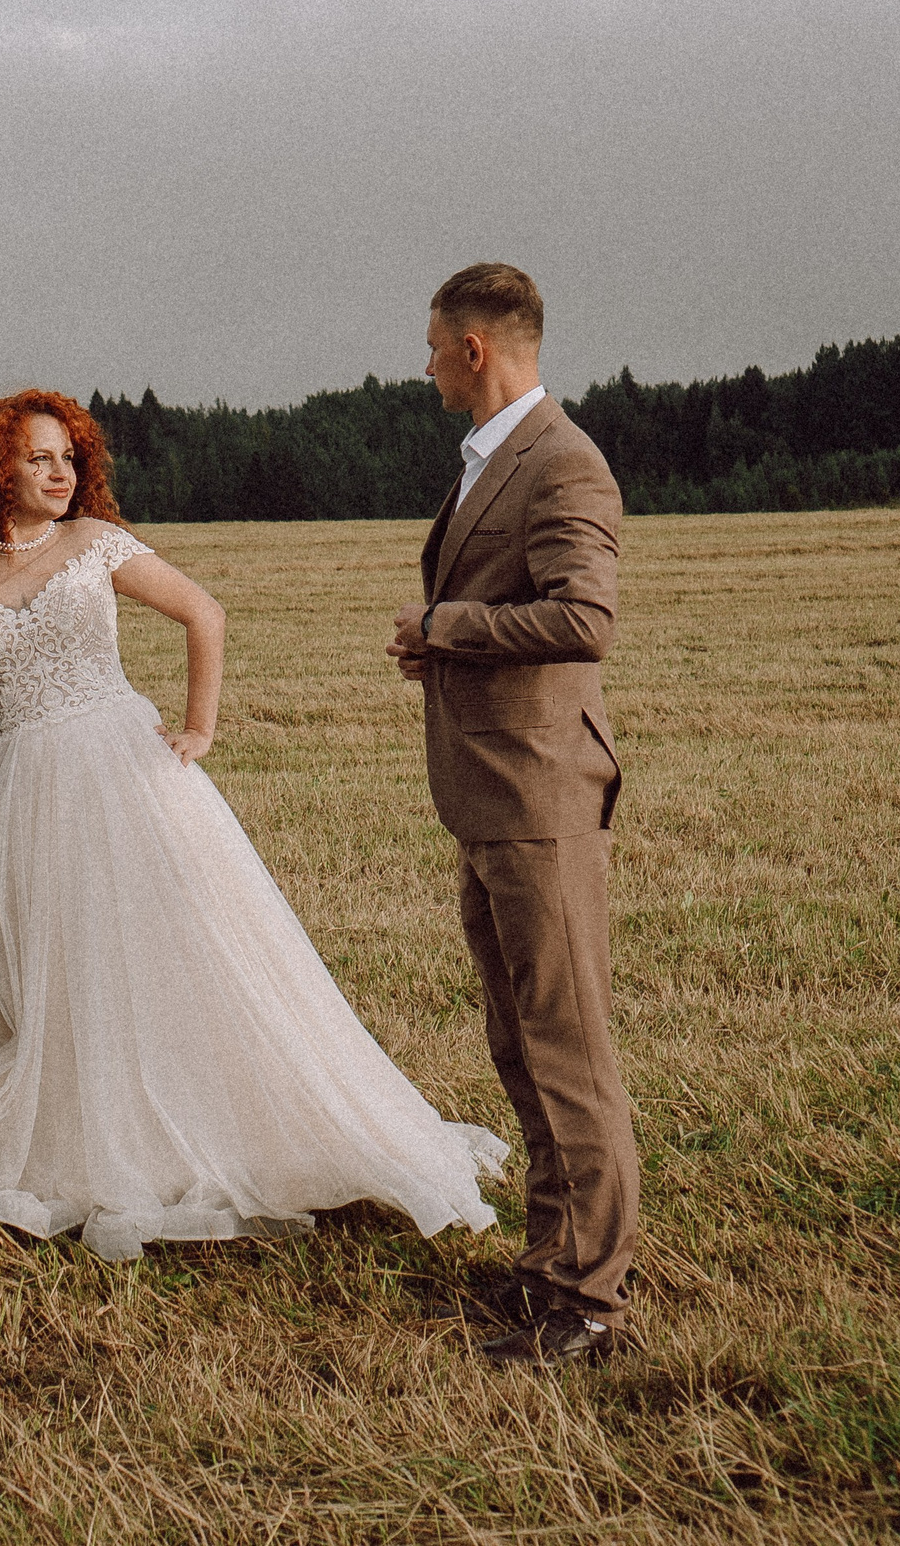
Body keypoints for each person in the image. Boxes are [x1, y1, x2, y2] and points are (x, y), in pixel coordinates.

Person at [0, 389, 506, 1261]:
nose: (62, 473)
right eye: (39, 459)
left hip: (124, 769)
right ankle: (73, 1123)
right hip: (22, 790)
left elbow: (203, 612)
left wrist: (199, 727)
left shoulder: (93, 543)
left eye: (69, 457)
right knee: (48, 969)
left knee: (180, 953)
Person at [387, 262, 637, 1366]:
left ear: (474, 348)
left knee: (565, 1051)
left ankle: (586, 1306)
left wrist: (449, 627)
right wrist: (441, 642)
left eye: (434, 344)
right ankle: (548, 1272)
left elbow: (583, 617)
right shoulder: (492, 459)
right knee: (520, 1046)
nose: (425, 362)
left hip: (538, 799)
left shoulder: (561, 463)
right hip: (491, 797)